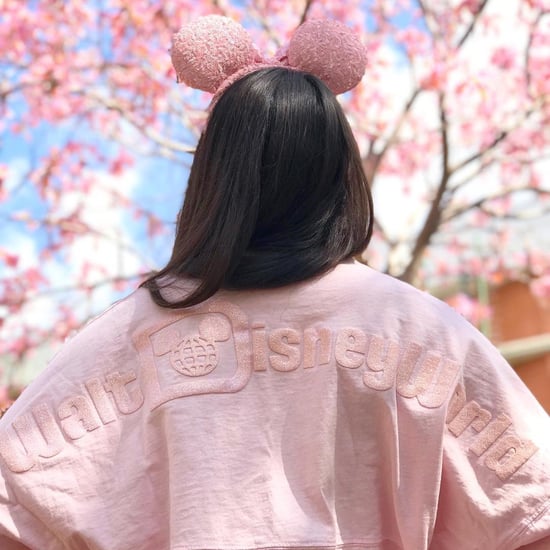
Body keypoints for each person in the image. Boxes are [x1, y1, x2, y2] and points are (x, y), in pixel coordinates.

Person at [0, 15, 548, 550]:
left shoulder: (125, 340)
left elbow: (16, 508)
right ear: (342, 175)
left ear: (213, 179)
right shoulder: (427, 333)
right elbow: (532, 510)